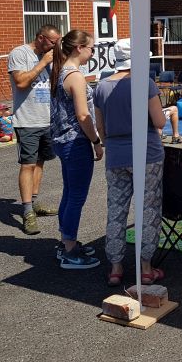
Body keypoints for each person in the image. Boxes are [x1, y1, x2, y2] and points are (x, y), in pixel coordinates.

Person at [94, 39, 167, 287]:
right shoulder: (144, 83)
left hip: (115, 154)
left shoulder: (101, 87)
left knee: (116, 210)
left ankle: (115, 267)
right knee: (148, 209)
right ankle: (146, 267)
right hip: (147, 154)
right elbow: (159, 122)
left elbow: (100, 128)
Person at [49, 29, 103, 270]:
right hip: (75, 141)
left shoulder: (60, 71)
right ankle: (70, 249)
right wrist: (96, 141)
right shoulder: (75, 76)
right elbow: (83, 114)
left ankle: (66, 241)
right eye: (91, 48)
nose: (92, 53)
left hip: (62, 140)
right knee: (76, 197)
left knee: (69, 192)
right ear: (79, 48)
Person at [8, 24, 62, 235]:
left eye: (58, 42)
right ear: (41, 38)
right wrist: (43, 63)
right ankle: (27, 211)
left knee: (40, 162)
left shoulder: (51, 56)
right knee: (28, 165)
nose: (55, 46)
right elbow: (21, 82)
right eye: (52, 42)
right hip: (27, 120)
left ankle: (35, 201)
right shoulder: (19, 53)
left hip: (47, 119)